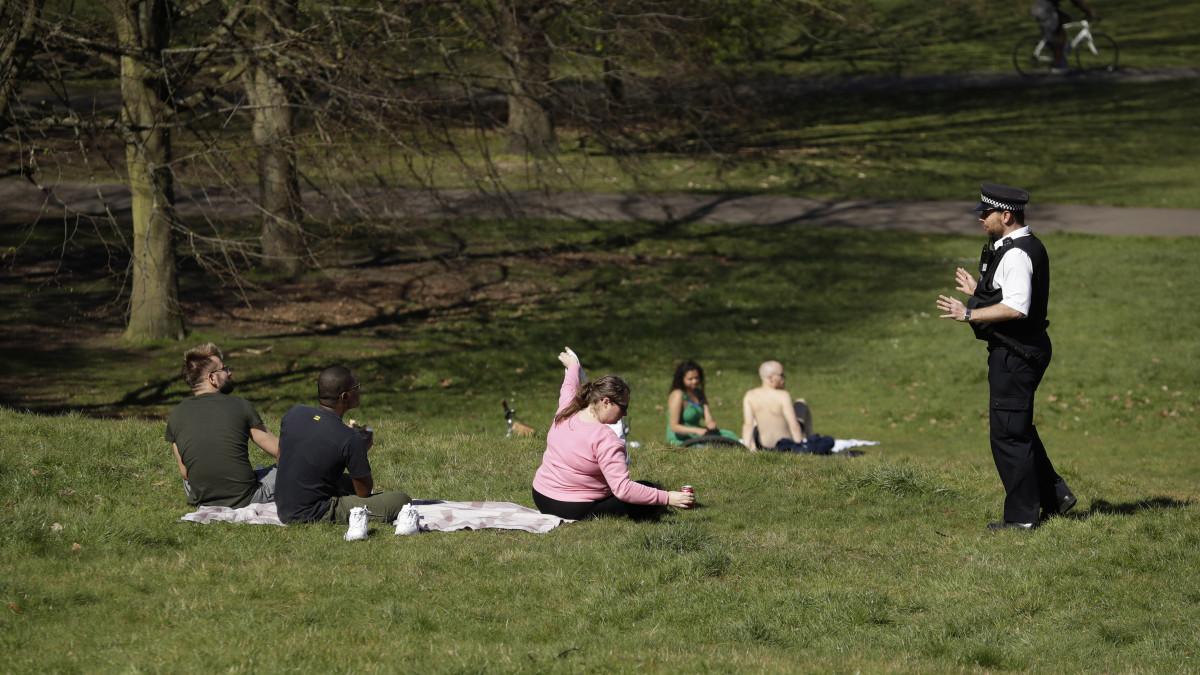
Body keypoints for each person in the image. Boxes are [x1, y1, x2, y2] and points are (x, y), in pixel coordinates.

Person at [936, 183, 1077, 531]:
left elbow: (1016, 307)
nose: (981, 218)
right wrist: (976, 291)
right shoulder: (1021, 247)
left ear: (1006, 215)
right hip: (1022, 352)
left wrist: (969, 314)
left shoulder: (1016, 254)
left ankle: (1022, 519)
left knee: (1008, 436)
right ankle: (1056, 495)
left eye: (986, 213)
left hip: (1015, 356)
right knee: (1018, 428)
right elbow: (1008, 294)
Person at [532, 347, 694, 520]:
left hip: (541, 496)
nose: (625, 414)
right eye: (623, 408)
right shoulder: (605, 438)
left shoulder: (566, 410)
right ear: (606, 402)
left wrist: (573, 366)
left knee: (644, 490)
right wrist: (668, 497)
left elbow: (569, 386)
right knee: (648, 491)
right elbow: (623, 489)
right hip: (570, 507)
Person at [275, 366, 411, 526]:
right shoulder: (350, 438)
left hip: (283, 502)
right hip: (310, 513)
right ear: (345, 396)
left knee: (346, 482)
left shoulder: (295, 413)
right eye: (357, 387)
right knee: (402, 500)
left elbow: (280, 461)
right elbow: (364, 492)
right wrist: (361, 448)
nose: (359, 390)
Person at [165, 343, 280, 508]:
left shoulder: (176, 414)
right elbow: (279, 451)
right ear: (212, 378)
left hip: (200, 496)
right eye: (224, 369)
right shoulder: (239, 405)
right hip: (246, 497)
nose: (229, 372)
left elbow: (185, 473)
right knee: (293, 467)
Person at [740, 360, 824, 453]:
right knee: (801, 402)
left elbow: (748, 425)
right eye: (781, 374)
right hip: (785, 445)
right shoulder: (783, 395)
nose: (785, 377)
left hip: (762, 446)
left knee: (754, 419)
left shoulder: (750, 395)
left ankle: (752, 446)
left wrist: (748, 448)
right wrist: (798, 446)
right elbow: (794, 425)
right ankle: (810, 438)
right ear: (771, 378)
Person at [665, 360, 742, 446]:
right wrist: (696, 430)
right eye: (690, 379)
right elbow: (674, 426)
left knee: (729, 435)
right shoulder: (677, 395)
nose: (694, 381)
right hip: (681, 438)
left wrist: (711, 423)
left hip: (697, 433)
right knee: (711, 445)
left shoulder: (699, 393)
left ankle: (747, 447)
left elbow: (708, 417)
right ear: (681, 379)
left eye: (696, 378)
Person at [1032, 0, 1097, 73]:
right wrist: (1089, 13)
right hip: (1046, 10)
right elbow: (1077, 2)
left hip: (1041, 8)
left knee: (1062, 24)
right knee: (1061, 36)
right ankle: (1057, 65)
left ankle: (1060, 59)